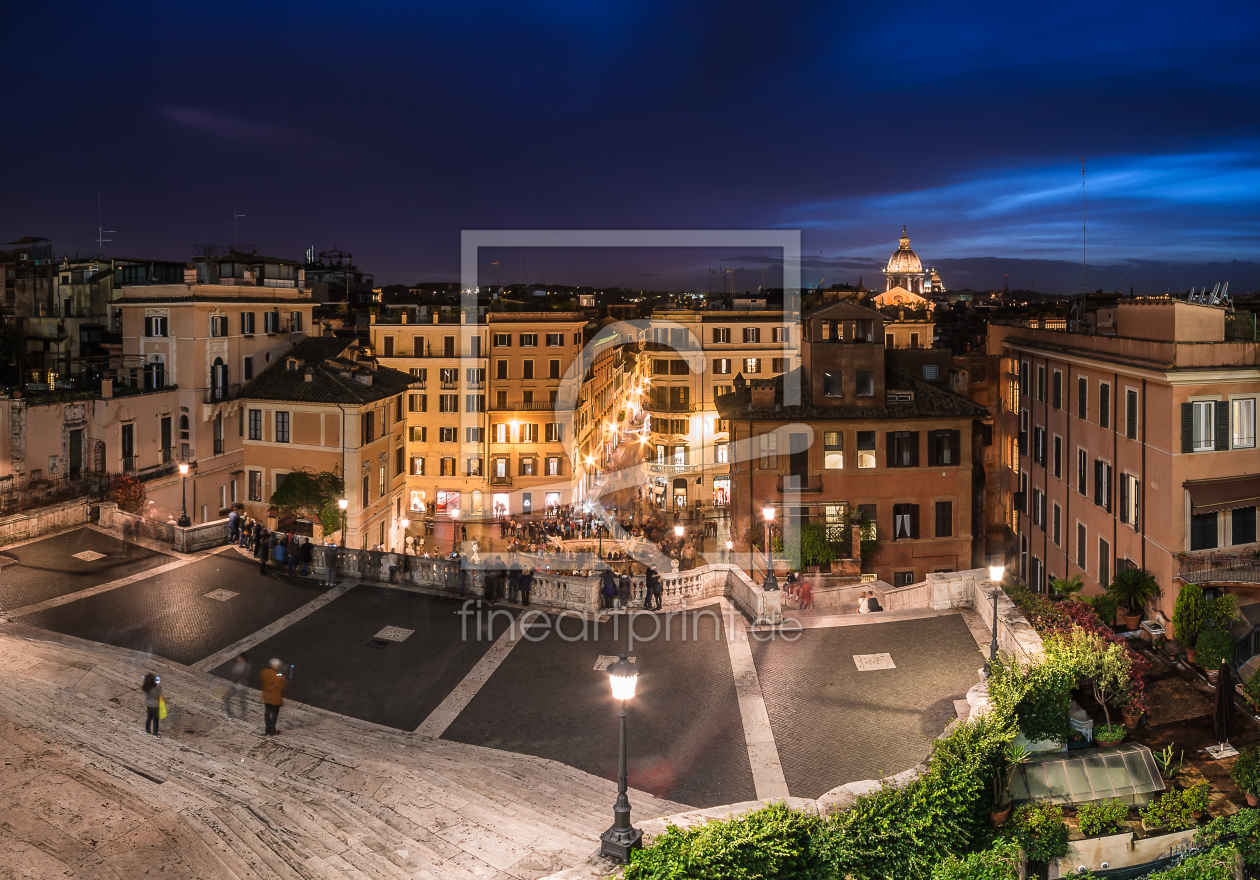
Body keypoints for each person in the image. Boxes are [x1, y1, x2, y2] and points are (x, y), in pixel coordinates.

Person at [260, 658, 286, 736]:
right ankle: (272, 731)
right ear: (276, 666)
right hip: (275, 698)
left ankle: (267, 730)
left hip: (266, 696)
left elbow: (262, 680)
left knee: (267, 714)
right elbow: (280, 686)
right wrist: (282, 679)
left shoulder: (264, 671)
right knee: (274, 715)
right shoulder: (277, 675)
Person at [224, 652, 250, 719]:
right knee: (241, 700)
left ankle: (232, 714)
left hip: (240, 686)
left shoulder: (245, 666)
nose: (237, 658)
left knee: (227, 698)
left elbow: (241, 676)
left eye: (238, 657)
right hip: (237, 685)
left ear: (242, 658)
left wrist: (235, 678)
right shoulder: (238, 664)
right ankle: (241, 715)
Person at [142, 673, 162, 737]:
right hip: (155, 706)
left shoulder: (146, 687)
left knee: (149, 718)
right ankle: (155, 732)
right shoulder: (153, 689)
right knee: (155, 719)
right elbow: (158, 695)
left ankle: (147, 730)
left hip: (149, 705)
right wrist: (160, 687)